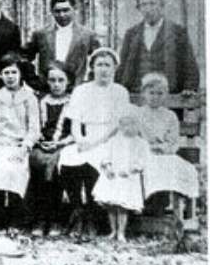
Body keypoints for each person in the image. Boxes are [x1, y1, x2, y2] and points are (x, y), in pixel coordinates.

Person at [58, 48, 130, 239]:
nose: (104, 69)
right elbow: (74, 123)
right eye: (99, 65)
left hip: (111, 139)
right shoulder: (81, 91)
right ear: (92, 68)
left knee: (98, 158)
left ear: (115, 68)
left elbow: (117, 125)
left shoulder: (120, 92)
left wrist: (95, 142)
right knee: (68, 156)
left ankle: (92, 213)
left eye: (108, 65)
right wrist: (80, 140)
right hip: (85, 136)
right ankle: (77, 209)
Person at [0, 52, 41, 228]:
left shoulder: (30, 98)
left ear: (20, 74)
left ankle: (16, 218)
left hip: (20, 146)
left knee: (16, 170)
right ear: (0, 75)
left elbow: (34, 129)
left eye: (14, 72)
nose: (10, 77)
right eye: (6, 73)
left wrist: (24, 148)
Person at [136, 72, 200, 221]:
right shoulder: (138, 114)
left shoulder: (170, 116)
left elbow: (173, 141)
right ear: (144, 93)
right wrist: (147, 147)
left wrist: (164, 148)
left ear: (165, 95)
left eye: (160, 93)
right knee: (146, 165)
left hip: (165, 154)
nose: (155, 97)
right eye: (151, 93)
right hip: (144, 152)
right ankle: (145, 204)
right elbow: (135, 137)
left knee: (170, 166)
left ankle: (160, 205)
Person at [116, 0, 199, 93]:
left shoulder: (178, 32)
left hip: (168, 95)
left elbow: (189, 64)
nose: (148, 9)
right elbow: (122, 66)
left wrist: (190, 88)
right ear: (139, 8)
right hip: (136, 96)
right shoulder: (131, 34)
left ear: (161, 6)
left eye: (152, 3)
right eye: (143, 5)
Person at [27, 62, 74, 237]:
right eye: (52, 80)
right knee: (37, 164)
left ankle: (55, 219)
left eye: (61, 80)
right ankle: (39, 219)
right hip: (41, 144)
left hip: (63, 145)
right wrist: (39, 140)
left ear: (68, 82)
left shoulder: (73, 103)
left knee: (55, 167)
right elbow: (33, 125)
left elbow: (75, 132)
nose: (56, 84)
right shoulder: (41, 101)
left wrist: (59, 144)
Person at [24, 0, 100, 90]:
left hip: (76, 93)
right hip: (47, 92)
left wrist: (88, 83)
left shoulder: (87, 35)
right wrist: (35, 81)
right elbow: (24, 58)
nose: (62, 15)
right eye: (57, 11)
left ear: (74, 9)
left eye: (66, 10)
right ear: (51, 11)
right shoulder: (41, 34)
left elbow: (100, 61)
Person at [93, 110, 147, 242]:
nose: (128, 128)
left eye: (132, 125)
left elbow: (142, 160)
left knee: (122, 206)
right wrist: (108, 167)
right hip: (113, 177)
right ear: (120, 126)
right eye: (124, 125)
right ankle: (113, 230)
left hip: (128, 178)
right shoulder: (113, 141)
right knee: (111, 205)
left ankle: (121, 232)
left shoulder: (140, 143)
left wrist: (131, 169)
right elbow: (105, 156)